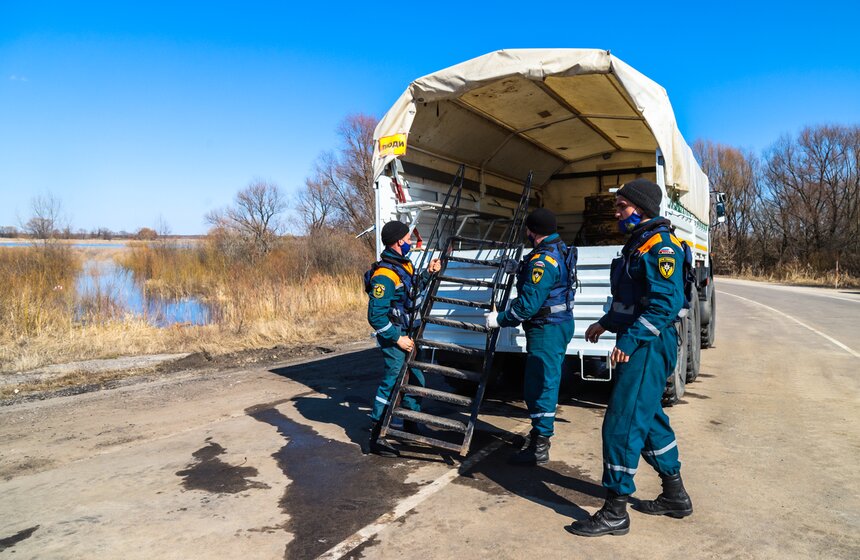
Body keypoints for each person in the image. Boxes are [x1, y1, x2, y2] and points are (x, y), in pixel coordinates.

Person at [567, 178, 693, 537]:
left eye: (623, 207)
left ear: (642, 209)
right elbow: (633, 300)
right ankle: (675, 494)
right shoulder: (637, 245)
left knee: (622, 421)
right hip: (641, 339)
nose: (617, 213)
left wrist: (633, 338)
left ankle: (615, 510)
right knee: (649, 418)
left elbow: (665, 304)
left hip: (649, 345)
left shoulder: (660, 247)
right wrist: (606, 323)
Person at [485, 208, 575, 465]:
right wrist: (520, 268)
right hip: (555, 325)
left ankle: (540, 446)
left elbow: (527, 306)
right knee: (542, 380)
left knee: (542, 384)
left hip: (547, 327)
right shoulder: (556, 249)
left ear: (532, 231)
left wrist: (499, 319)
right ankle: (538, 435)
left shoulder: (542, 261)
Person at [366, 220, 441, 457]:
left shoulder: (403, 265)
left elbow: (412, 291)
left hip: (411, 333)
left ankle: (410, 423)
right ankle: (377, 435)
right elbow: (376, 316)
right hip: (396, 336)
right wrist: (397, 338)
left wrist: (428, 274)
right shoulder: (385, 275)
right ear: (399, 241)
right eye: (407, 239)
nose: (409, 242)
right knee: (394, 381)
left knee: (416, 379)